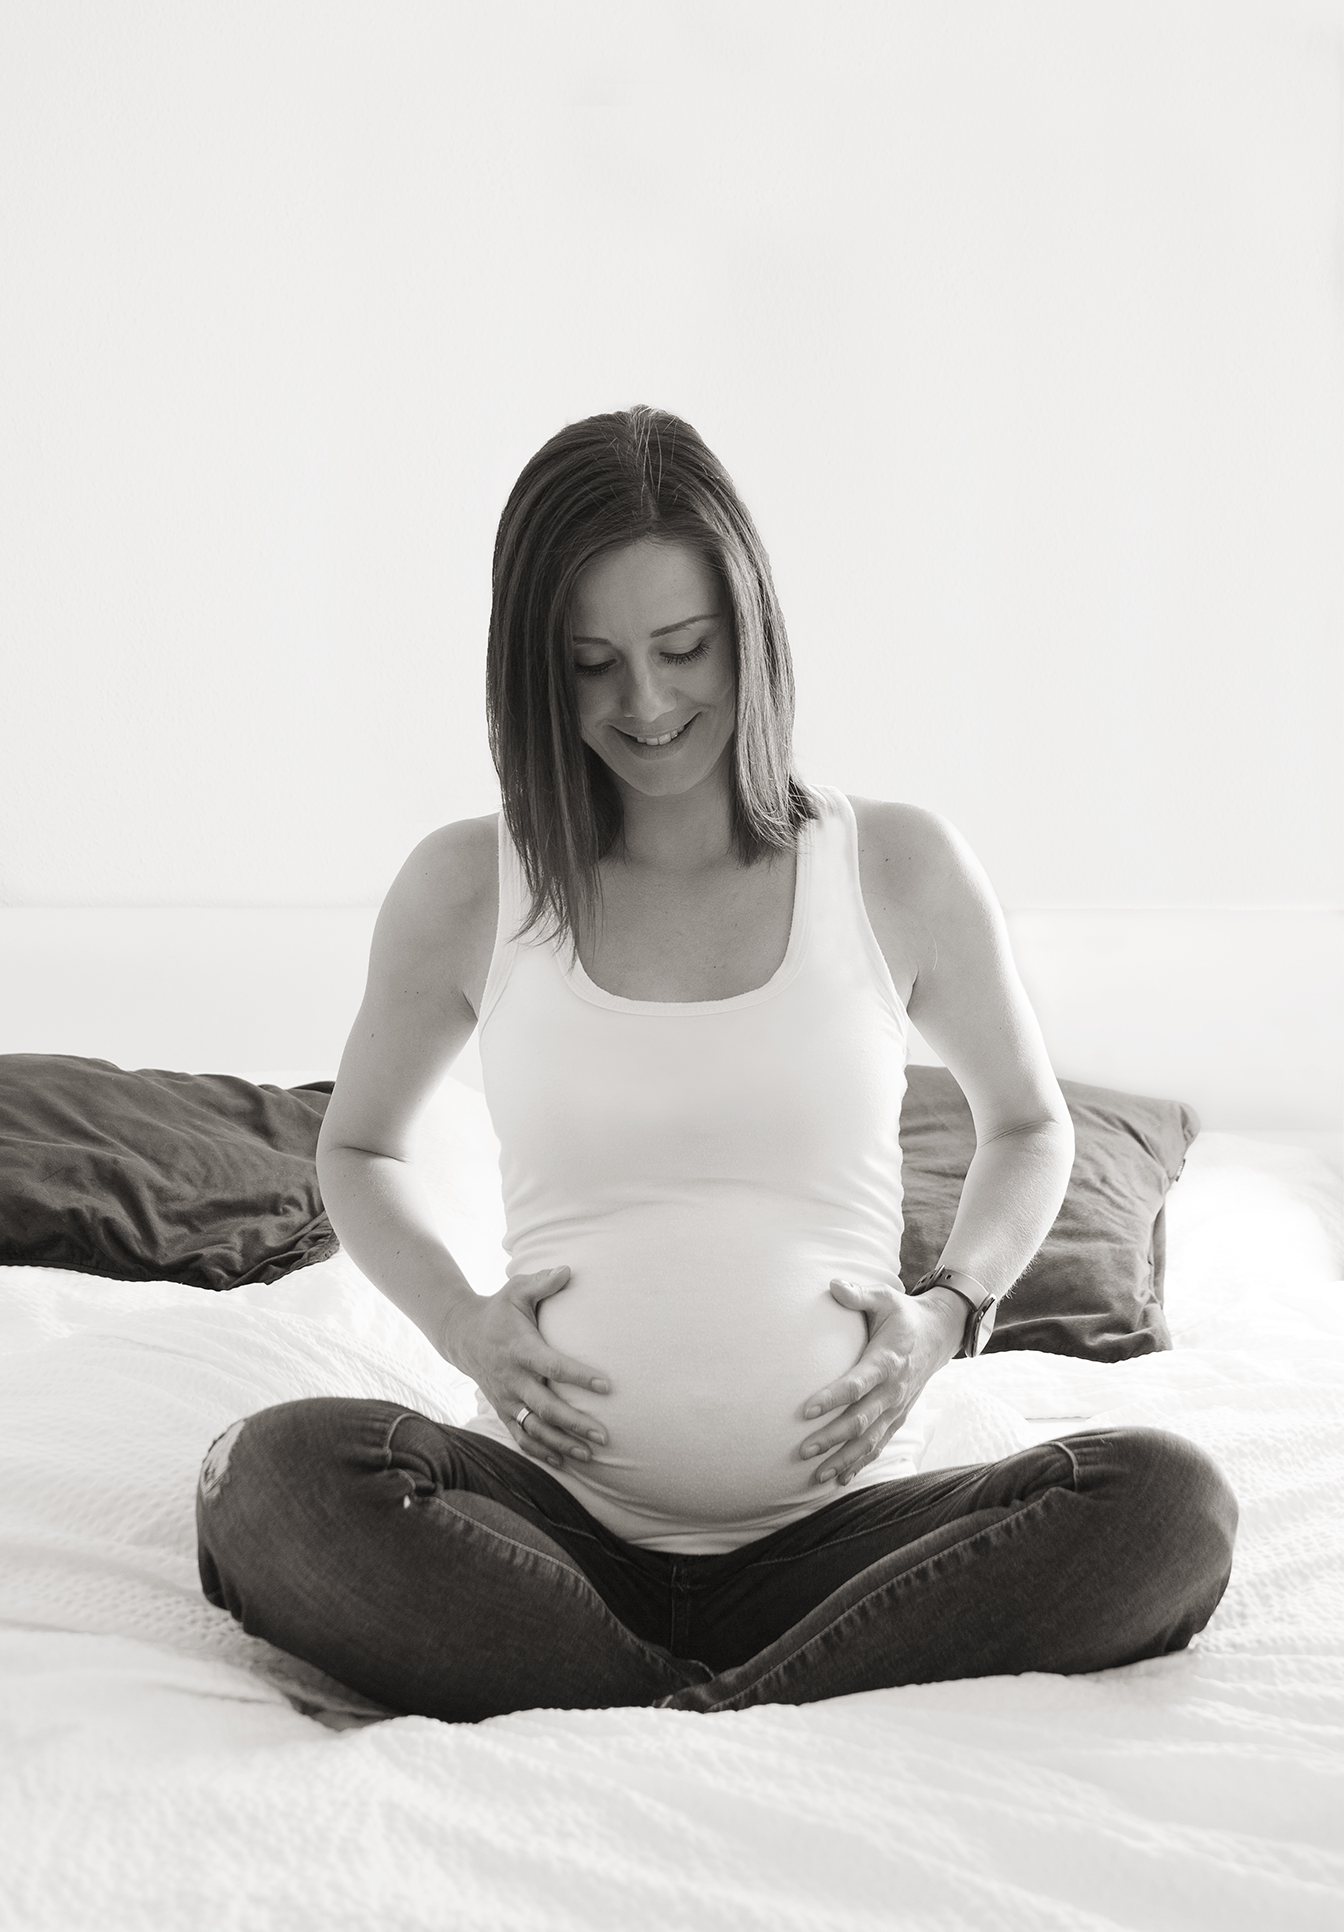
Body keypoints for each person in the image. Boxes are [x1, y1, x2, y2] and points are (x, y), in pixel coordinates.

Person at [195, 406, 1237, 1721]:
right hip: (546, 1530)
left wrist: (949, 1314)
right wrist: (460, 1323)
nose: (646, 704)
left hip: (851, 1546)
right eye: (591, 665)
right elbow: (358, 1146)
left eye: (683, 649)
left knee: (1169, 1507)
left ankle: (657, 1708)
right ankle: (745, 1706)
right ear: (533, 673)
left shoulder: (895, 866)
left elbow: (1029, 1126)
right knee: (269, 1480)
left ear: (750, 631)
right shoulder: (469, 886)